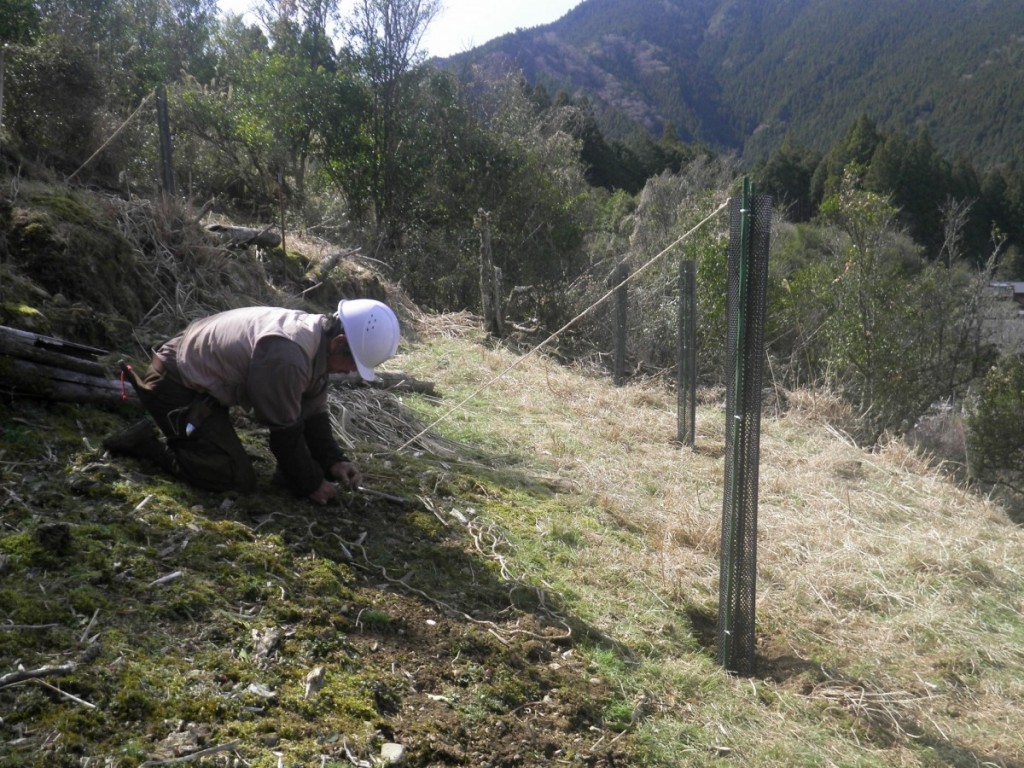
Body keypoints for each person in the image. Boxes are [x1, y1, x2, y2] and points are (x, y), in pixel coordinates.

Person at [104, 299, 400, 505]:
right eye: (351, 365)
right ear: (339, 343)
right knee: (234, 477)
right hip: (175, 383)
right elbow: (283, 432)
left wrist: (334, 461)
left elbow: (313, 413)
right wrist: (310, 483)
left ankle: (202, 441)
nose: (349, 372)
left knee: (304, 462)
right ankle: (146, 444)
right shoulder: (288, 355)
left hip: (204, 387)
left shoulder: (316, 341)